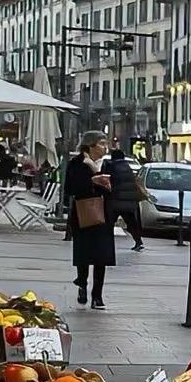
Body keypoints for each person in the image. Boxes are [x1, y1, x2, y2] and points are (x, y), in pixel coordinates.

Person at [67, 131, 114, 310]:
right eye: (101, 143)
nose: (105, 147)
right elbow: (70, 188)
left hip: (103, 214)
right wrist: (92, 181)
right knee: (83, 253)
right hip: (82, 213)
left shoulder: (108, 165)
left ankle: (97, 295)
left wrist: (107, 185)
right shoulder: (77, 163)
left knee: (101, 256)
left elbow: (117, 188)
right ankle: (82, 286)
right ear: (90, 145)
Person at [101, 148, 144, 251]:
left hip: (115, 200)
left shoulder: (110, 166)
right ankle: (138, 242)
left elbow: (106, 181)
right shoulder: (127, 167)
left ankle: (106, 244)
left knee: (109, 224)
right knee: (131, 223)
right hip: (128, 201)